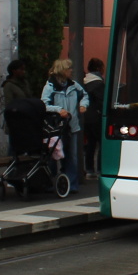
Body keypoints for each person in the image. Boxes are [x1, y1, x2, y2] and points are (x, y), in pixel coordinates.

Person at [41, 59, 89, 193]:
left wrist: (83, 105)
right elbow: (44, 105)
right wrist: (58, 110)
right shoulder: (50, 86)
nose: (71, 71)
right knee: (53, 154)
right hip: (55, 127)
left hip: (72, 126)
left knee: (71, 155)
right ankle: (50, 183)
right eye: (69, 68)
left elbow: (84, 95)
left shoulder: (74, 85)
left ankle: (71, 184)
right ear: (62, 70)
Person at [81, 57, 106, 180]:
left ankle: (89, 169)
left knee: (90, 144)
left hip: (86, 117)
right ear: (98, 69)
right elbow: (102, 102)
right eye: (102, 67)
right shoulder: (98, 84)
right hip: (97, 117)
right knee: (102, 143)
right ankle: (100, 169)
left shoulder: (83, 82)